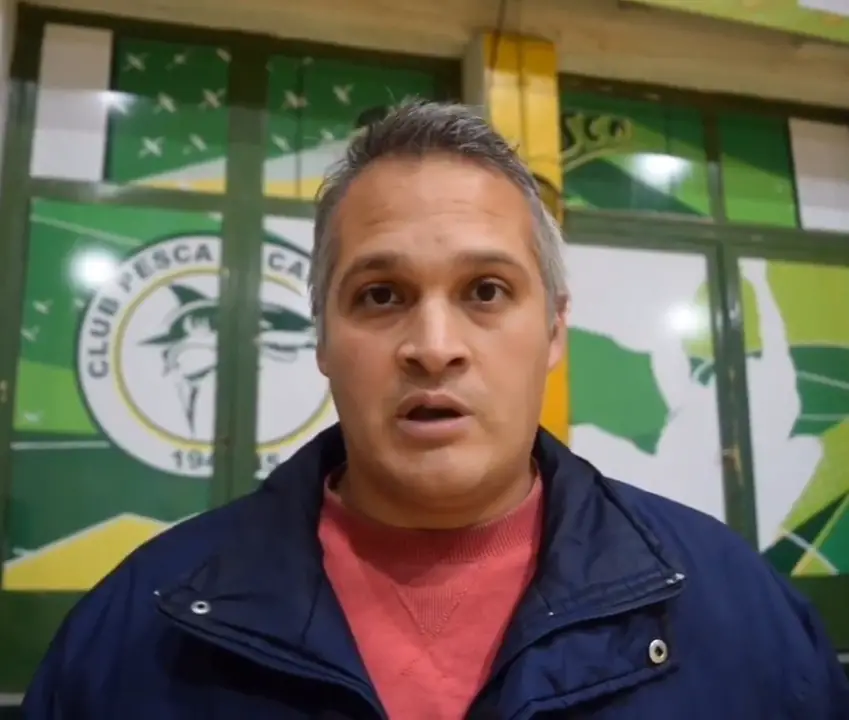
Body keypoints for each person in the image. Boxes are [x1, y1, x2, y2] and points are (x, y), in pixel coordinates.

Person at [23, 101, 849, 719]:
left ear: (553, 331)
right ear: (322, 338)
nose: (433, 346)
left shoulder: (740, 616)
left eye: (485, 291)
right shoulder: (138, 634)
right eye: (380, 295)